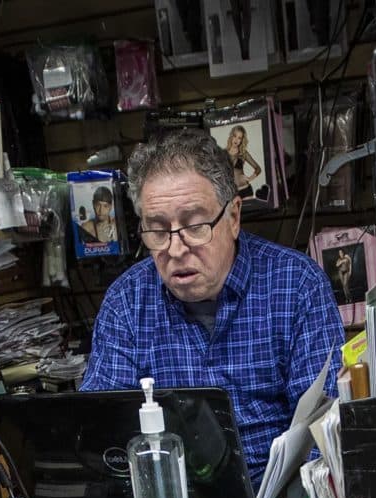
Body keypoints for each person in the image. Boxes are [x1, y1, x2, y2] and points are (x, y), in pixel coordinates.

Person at [81, 130, 344, 480]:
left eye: (195, 226)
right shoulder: (126, 303)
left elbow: (323, 433)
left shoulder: (297, 286)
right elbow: (101, 436)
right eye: (157, 230)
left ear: (233, 217)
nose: (175, 249)